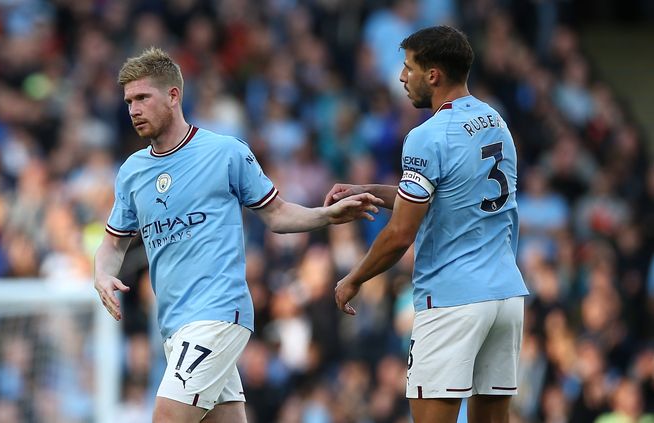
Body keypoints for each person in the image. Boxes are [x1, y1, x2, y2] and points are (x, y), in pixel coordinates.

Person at [93, 47, 383, 423]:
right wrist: (102, 273)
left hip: (217, 313)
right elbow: (114, 243)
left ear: (173, 95)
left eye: (142, 98)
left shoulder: (225, 152)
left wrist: (325, 216)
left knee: (166, 417)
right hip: (174, 324)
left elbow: (277, 215)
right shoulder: (133, 171)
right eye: (129, 100)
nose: (133, 109)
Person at [326, 26, 529, 423]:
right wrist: (368, 189)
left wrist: (353, 279)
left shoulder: (427, 136)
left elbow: (401, 233)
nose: (402, 78)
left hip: (452, 300)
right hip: (505, 297)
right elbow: (447, 193)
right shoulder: (495, 121)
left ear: (433, 75)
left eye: (408, 68)